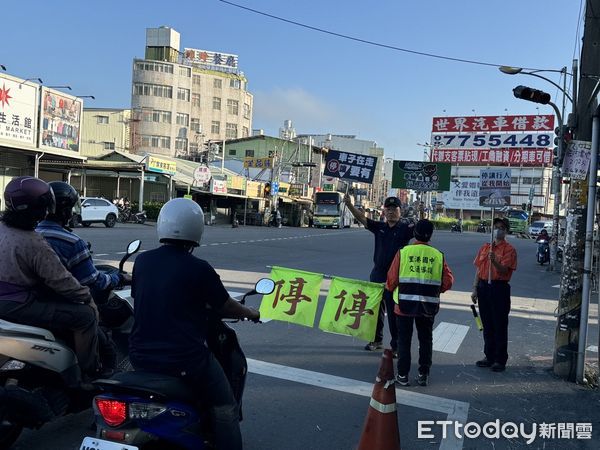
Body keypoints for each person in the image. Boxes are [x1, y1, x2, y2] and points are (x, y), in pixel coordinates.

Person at [129, 198, 260, 450]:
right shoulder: (199, 268)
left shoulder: (143, 262)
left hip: (140, 355)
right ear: (197, 229)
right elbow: (226, 306)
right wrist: (251, 313)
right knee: (225, 407)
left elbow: (146, 296)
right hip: (185, 359)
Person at [0, 176, 99, 377]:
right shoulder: (34, 242)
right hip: (16, 303)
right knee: (86, 317)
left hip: (8, 301)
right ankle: (88, 374)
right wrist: (87, 298)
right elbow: (61, 281)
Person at [36, 181, 132, 373]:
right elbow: (92, 280)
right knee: (98, 334)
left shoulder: (29, 235)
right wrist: (119, 279)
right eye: (71, 208)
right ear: (64, 210)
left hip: (29, 302)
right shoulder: (71, 241)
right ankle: (91, 375)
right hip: (57, 304)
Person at [386, 219, 454, 386]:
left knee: (404, 340)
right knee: (425, 339)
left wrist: (391, 288)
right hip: (428, 305)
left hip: (404, 306)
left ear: (414, 233)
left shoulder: (403, 252)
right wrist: (434, 290)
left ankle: (402, 375)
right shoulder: (438, 255)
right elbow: (448, 281)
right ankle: (423, 374)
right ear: (430, 235)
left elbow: (391, 280)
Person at [344, 195, 414, 353]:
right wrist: (349, 205)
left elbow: (422, 230)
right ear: (384, 211)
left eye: (394, 209)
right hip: (377, 275)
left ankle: (396, 346)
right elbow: (362, 218)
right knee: (374, 310)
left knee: (394, 312)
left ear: (400, 211)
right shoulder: (379, 227)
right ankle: (376, 340)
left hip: (395, 277)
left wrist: (422, 214)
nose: (390, 212)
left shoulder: (405, 229)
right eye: (388, 209)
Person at [471, 217, 517, 372]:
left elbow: (505, 270)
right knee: (487, 324)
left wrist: (494, 261)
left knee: (499, 324)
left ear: (506, 231)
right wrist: (475, 288)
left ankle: (500, 359)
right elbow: (479, 268)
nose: (498, 230)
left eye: (501, 227)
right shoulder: (485, 247)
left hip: (499, 288)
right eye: (496, 227)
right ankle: (488, 356)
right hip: (484, 287)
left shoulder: (509, 249)